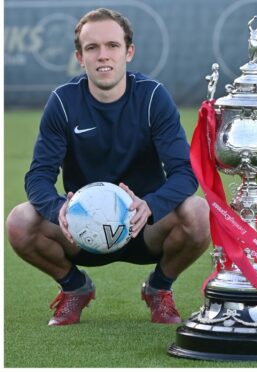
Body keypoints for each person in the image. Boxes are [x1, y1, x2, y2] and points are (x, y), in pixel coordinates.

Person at [5, 8, 210, 326]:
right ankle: (75, 288)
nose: (103, 56)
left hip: (144, 227)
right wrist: (59, 209)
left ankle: (158, 289)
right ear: (79, 56)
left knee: (198, 214)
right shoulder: (62, 102)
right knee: (19, 221)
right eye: (92, 48)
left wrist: (151, 205)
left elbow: (185, 171)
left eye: (112, 46)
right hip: (81, 230)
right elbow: (39, 175)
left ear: (129, 52)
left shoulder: (153, 97)